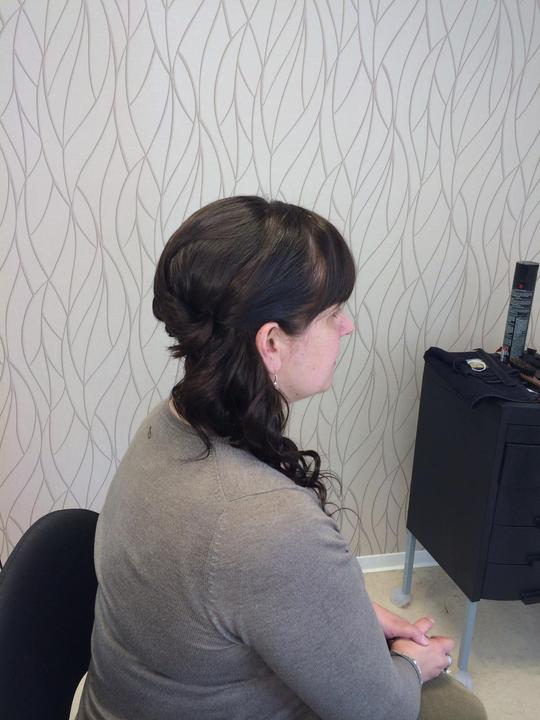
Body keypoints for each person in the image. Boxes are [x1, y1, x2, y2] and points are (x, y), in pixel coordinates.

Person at [77, 196, 486, 719]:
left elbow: (239, 584)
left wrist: (338, 613)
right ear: (271, 342)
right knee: (459, 710)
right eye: (333, 313)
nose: (347, 327)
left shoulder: (169, 422)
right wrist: (410, 662)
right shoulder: (266, 523)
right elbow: (377, 711)